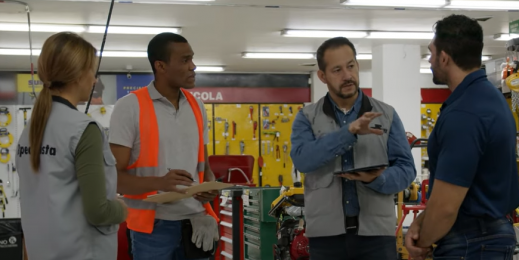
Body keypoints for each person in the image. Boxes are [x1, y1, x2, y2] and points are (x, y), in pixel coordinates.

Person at [290, 37, 416, 260]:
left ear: (357, 66)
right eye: (337, 70)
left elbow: (406, 169)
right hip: (325, 238)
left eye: (350, 66)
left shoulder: (386, 115)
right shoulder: (306, 117)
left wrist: (378, 179)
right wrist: (348, 133)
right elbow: (302, 160)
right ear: (322, 76)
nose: (347, 75)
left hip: (377, 237)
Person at [405, 14, 519, 260]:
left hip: (472, 243)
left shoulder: (464, 114)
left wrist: (420, 244)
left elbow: (447, 208)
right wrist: (423, 221)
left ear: (444, 58)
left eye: (432, 53)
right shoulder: (491, 99)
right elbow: (464, 191)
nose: (430, 59)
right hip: (490, 236)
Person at [15, 32, 128, 260]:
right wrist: (122, 208)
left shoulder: (30, 131)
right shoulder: (83, 129)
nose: (94, 80)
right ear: (77, 75)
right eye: (92, 72)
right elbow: (98, 212)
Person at [109, 32, 220, 260]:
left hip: (197, 224)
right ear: (160, 66)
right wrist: (160, 183)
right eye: (185, 60)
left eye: (192, 59)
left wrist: (210, 187)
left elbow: (205, 167)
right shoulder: (129, 107)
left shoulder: (197, 106)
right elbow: (112, 177)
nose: (193, 66)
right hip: (153, 231)